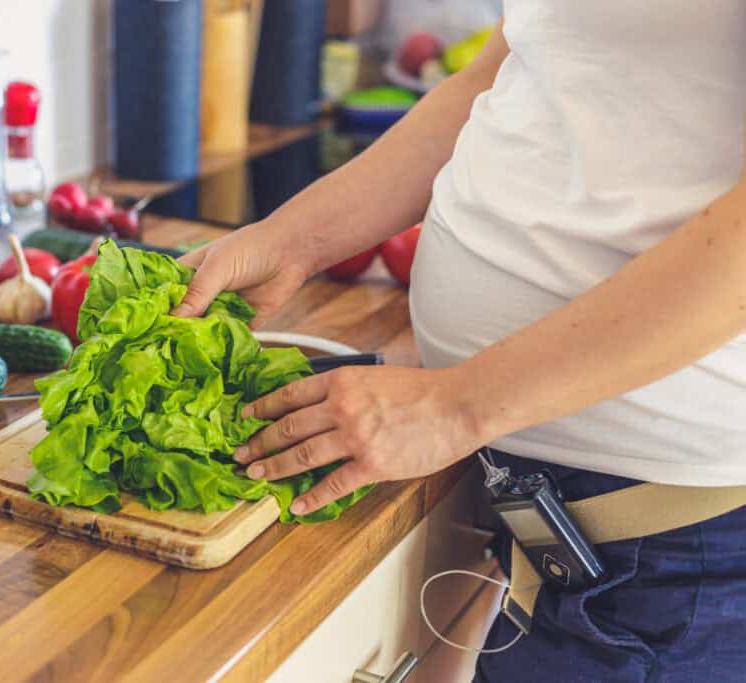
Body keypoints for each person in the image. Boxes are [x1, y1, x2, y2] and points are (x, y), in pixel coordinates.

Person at [173, 5, 746, 681]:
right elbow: (505, 71)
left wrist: (453, 407)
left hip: (668, 567)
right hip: (566, 522)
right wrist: (293, 240)